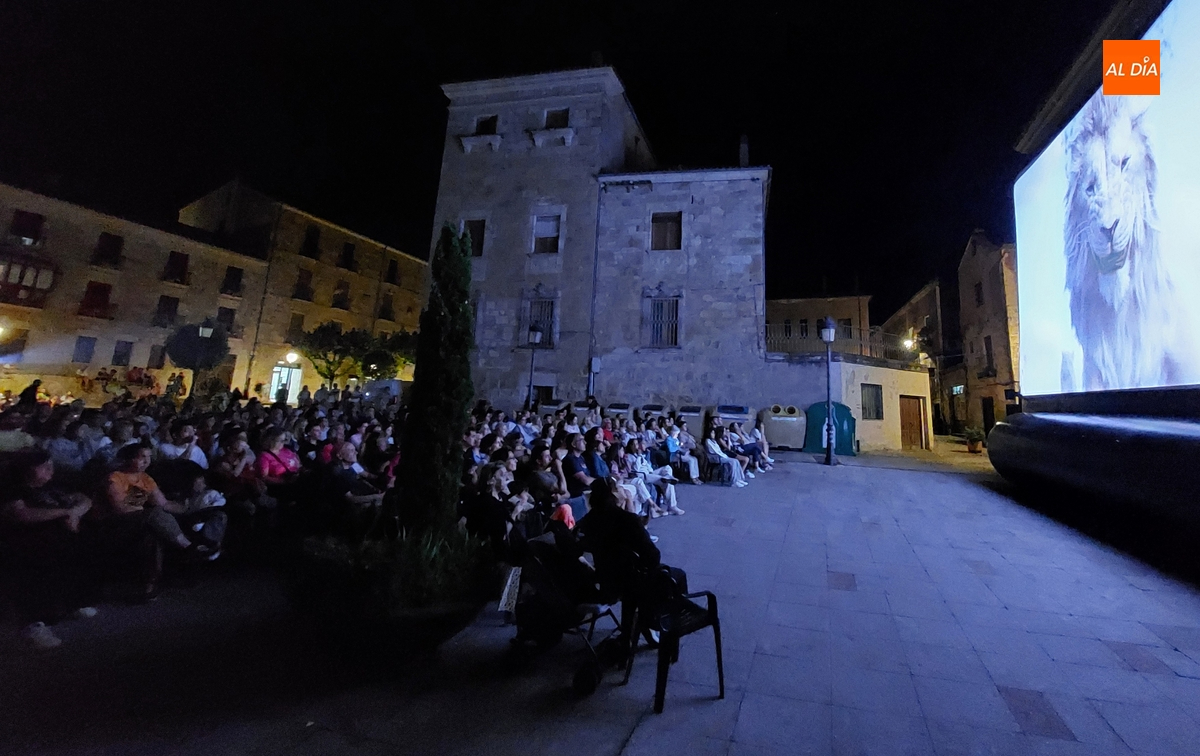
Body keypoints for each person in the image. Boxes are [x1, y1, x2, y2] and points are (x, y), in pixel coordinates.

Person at [0, 450, 98, 649]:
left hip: (68, 531)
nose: (50, 470)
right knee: (39, 556)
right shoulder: (13, 488)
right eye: (44, 466)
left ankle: (71, 602)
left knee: (89, 544)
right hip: (26, 539)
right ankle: (32, 624)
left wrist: (74, 513)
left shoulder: (53, 485)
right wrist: (65, 513)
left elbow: (84, 498)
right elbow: (21, 514)